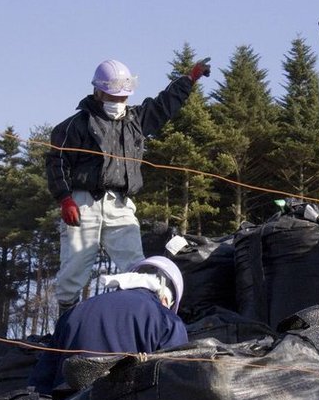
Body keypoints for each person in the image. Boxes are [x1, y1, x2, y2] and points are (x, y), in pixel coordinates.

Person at [46, 56, 211, 313]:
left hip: (120, 204)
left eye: (123, 97)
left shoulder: (135, 121)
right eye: (113, 96)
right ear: (99, 92)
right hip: (83, 204)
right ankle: (65, 324)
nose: (119, 102)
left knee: (136, 265)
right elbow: (56, 162)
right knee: (74, 270)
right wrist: (64, 198)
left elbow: (164, 105)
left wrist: (188, 80)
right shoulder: (74, 126)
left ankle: (141, 320)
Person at [29, 256, 189, 395]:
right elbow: (177, 383)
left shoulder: (76, 311)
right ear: (167, 298)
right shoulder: (166, 319)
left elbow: (41, 384)